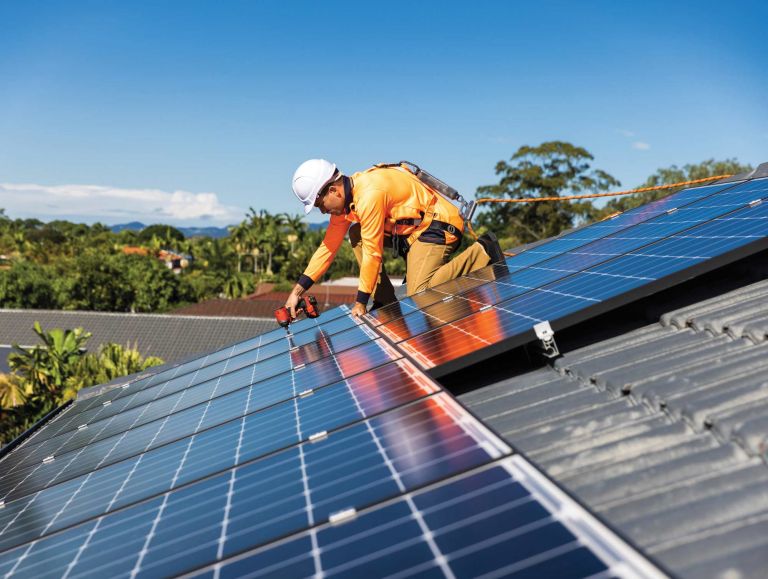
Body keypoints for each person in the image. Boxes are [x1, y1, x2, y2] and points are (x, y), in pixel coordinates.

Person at [284, 159, 505, 318]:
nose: (322, 211)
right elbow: (328, 247)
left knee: (420, 292)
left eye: (320, 204)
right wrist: (297, 292)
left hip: (437, 226)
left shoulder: (369, 194)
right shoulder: (347, 203)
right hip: (413, 235)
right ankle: (385, 301)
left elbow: (372, 252)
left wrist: (361, 302)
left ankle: (483, 250)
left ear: (334, 191)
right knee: (355, 232)